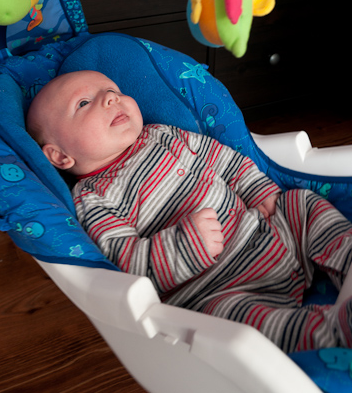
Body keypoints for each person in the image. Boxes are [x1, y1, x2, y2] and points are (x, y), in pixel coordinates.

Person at [26, 69, 352, 354]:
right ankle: (331, 331)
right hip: (220, 287)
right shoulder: (92, 199)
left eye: (113, 90)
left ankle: (347, 256)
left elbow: (227, 162)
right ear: (60, 156)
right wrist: (186, 245)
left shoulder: (164, 134)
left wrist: (259, 191)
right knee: (228, 325)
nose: (111, 98)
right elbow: (128, 264)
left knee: (300, 203)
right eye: (84, 103)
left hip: (266, 231)